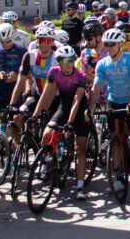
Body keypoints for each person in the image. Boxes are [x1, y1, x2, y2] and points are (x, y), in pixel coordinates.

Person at [92, 28, 130, 195]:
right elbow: (96, 87)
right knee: (116, 140)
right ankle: (119, 177)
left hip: (129, 101)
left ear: (120, 44)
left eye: (112, 45)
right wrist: (90, 108)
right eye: (106, 45)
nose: (108, 48)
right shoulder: (102, 63)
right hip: (114, 102)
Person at [31, 45, 93, 200]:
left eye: (71, 60)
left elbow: (77, 100)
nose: (68, 63)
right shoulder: (53, 73)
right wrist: (35, 115)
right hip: (63, 107)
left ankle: (80, 186)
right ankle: (46, 161)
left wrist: (70, 123)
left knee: (80, 148)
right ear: (58, 62)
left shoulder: (80, 76)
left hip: (78, 110)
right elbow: (47, 94)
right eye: (64, 60)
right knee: (47, 133)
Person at [0, 23, 26, 111]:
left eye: (7, 41)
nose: (5, 44)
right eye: (2, 41)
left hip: (17, 90)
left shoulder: (21, 50)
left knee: (17, 117)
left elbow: (29, 74)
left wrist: (17, 76)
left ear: (12, 37)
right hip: (0, 90)